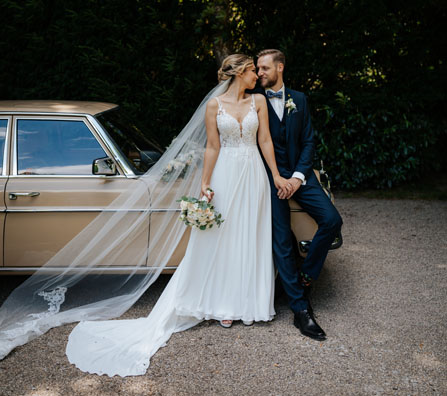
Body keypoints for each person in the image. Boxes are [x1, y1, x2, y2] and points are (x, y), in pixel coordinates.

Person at [64, 54, 290, 375]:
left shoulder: (259, 102)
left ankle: (249, 303)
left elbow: (265, 139)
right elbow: (212, 147)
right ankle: (221, 305)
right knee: (221, 238)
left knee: (250, 235)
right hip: (226, 174)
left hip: (254, 173)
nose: (258, 74)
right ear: (241, 72)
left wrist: (277, 175)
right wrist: (206, 183)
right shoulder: (215, 106)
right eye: (253, 69)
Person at [255, 49, 343, 341]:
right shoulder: (254, 101)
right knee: (281, 241)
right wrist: (277, 178)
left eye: (265, 68)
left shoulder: (300, 99)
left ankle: (306, 274)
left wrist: (296, 178)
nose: (260, 73)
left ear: (280, 68)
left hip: (300, 179)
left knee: (332, 220)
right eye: (258, 68)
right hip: (269, 180)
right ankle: (300, 309)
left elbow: (308, 143)